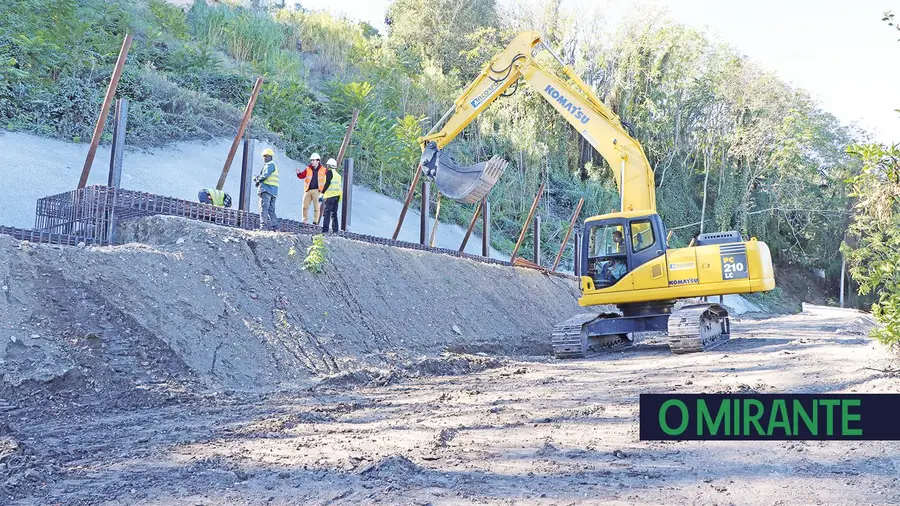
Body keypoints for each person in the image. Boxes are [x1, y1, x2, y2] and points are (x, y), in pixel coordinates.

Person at [296, 152, 329, 224]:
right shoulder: (308, 169)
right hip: (308, 190)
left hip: (317, 191)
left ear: (318, 161)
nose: (312, 162)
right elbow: (302, 176)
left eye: (313, 160)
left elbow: (329, 178)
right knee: (304, 206)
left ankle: (315, 221)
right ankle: (304, 220)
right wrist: (298, 173)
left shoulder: (323, 170)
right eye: (311, 160)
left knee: (316, 207)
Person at [254, 148, 279, 231]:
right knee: (271, 209)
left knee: (263, 208)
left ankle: (263, 227)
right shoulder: (273, 165)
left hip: (266, 190)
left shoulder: (269, 165)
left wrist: (257, 179)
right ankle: (275, 227)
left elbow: (265, 175)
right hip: (273, 191)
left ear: (270, 157)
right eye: (264, 156)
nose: (264, 158)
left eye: (266, 156)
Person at [321, 158, 342, 233]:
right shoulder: (338, 175)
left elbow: (327, 183)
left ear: (329, 165)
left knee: (327, 213)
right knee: (334, 214)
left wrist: (322, 193)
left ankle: (325, 230)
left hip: (329, 196)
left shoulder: (329, 172)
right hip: (337, 196)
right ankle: (335, 231)